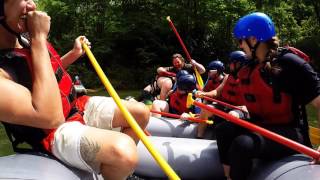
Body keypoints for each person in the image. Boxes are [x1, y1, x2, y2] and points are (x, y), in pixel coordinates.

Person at [0, 1, 149, 179]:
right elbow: (51, 118)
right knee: (124, 152)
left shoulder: (24, 40)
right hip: (52, 132)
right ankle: (118, 164)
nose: (32, 4)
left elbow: (47, 75)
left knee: (140, 112)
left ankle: (117, 172)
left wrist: (74, 53)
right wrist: (39, 38)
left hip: (76, 106)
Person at [215, 12, 320, 180]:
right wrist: (240, 112)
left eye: (241, 41)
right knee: (223, 130)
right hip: (262, 126)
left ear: (254, 39)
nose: (240, 46)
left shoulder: (290, 64)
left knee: (242, 145)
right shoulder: (249, 67)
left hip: (291, 133)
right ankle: (229, 177)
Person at [195, 51, 248, 138]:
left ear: (239, 64)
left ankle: (226, 141)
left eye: (231, 63)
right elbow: (216, 92)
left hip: (239, 110)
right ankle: (199, 136)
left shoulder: (248, 78)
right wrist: (203, 94)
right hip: (225, 107)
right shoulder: (228, 77)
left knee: (232, 115)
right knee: (206, 108)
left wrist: (247, 107)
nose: (229, 65)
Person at [139, 53, 205, 101]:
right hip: (176, 89)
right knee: (146, 89)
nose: (176, 64)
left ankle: (162, 103)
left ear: (182, 61)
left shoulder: (189, 66)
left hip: (188, 89)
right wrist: (166, 72)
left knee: (169, 90)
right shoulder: (173, 68)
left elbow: (203, 70)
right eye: (174, 63)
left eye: (178, 62)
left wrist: (195, 63)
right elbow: (159, 70)